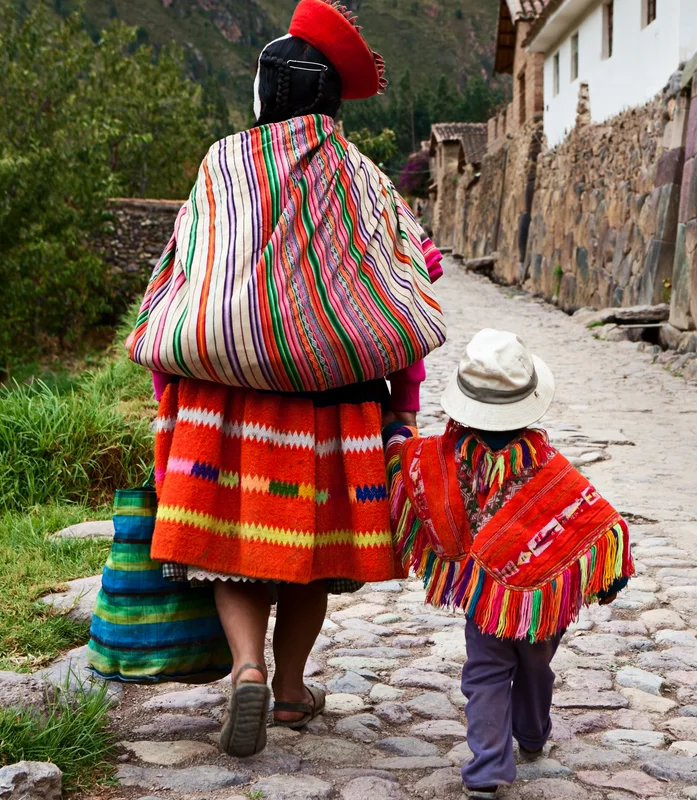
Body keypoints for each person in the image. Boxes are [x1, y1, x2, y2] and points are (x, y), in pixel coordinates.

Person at [141, 0, 441, 758]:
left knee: (230, 545)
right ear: (330, 101)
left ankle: (244, 666)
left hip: (221, 397)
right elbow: (403, 284)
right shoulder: (363, 180)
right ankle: (289, 690)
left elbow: (184, 273)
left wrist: (168, 391)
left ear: (264, 96)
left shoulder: (221, 165)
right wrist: (403, 409)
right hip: (331, 403)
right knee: (308, 551)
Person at [383, 330, 635, 799]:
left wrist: (394, 433)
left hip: (485, 602)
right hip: (541, 601)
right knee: (536, 666)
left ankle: (488, 769)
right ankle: (533, 734)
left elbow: (406, 458)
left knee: (485, 674)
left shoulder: (445, 456)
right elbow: (593, 518)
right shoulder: (547, 464)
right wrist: (608, 577)